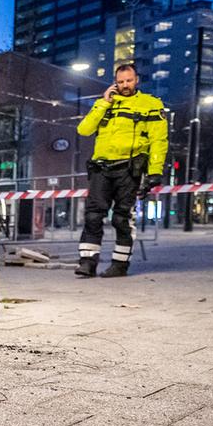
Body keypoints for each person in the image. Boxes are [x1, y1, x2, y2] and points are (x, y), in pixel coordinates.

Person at [74, 64, 168, 278]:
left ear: (137, 80)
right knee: (93, 216)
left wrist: (154, 172)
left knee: (122, 218)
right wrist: (104, 103)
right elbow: (84, 129)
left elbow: (159, 141)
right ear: (115, 82)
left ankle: (120, 265)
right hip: (101, 168)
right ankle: (87, 263)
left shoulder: (150, 104)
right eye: (121, 81)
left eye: (129, 80)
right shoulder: (106, 103)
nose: (125, 85)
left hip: (129, 169)